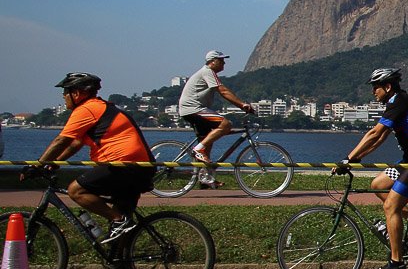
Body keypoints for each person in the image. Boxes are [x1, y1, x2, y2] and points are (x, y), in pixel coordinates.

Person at [336, 68, 408, 269]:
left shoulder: (400, 101)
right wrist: (357, 158)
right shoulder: (394, 104)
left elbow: (374, 132)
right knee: (378, 185)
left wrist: (347, 159)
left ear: (387, 87)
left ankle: (397, 263)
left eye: (375, 87)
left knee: (390, 205)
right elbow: (379, 138)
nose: (373, 92)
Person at [29, 73, 155, 249]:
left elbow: (61, 140)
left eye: (66, 92)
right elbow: (76, 143)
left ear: (78, 94)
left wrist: (38, 165)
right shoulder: (99, 107)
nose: (63, 96)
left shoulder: (86, 109)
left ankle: (119, 221)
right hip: (138, 167)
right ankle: (119, 264)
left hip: (123, 165)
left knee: (76, 190)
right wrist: (55, 162)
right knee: (120, 227)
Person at [177, 50, 256, 187]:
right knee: (226, 125)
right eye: (221, 60)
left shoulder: (208, 73)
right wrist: (242, 105)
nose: (224, 62)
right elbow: (223, 91)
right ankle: (198, 149)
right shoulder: (207, 71)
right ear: (212, 61)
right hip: (194, 109)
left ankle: (205, 179)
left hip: (194, 109)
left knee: (209, 141)